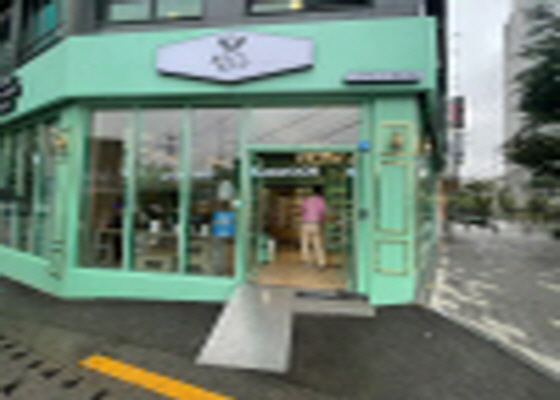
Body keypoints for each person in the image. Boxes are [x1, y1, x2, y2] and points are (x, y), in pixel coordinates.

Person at [300, 185, 327, 269]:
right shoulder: (321, 200)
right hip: (315, 224)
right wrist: (321, 221)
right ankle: (321, 263)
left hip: (305, 224)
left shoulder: (306, 199)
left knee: (305, 244)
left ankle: (307, 262)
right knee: (317, 244)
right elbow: (322, 212)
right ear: (321, 192)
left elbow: (303, 210)